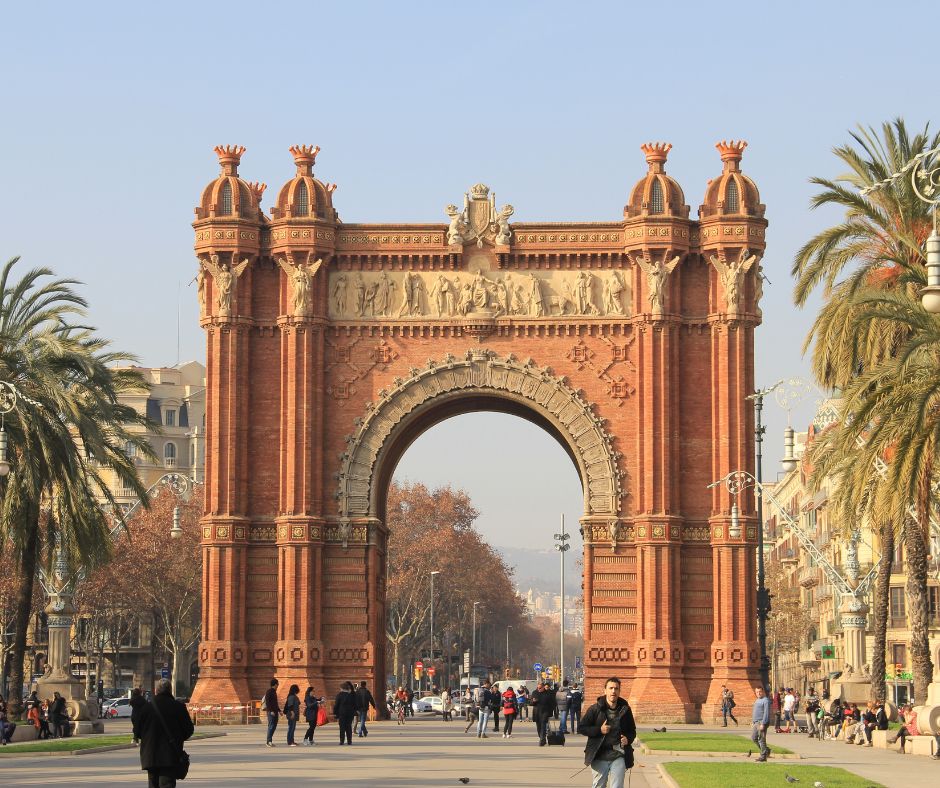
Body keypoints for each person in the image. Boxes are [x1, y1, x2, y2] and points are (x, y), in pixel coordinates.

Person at [133, 678, 194, 788]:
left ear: (156, 691)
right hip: (170, 755)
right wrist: (178, 738)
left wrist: (147, 738)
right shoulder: (178, 707)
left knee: (153, 785)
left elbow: (137, 731)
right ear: (170, 691)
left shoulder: (146, 708)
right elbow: (189, 730)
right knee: (167, 785)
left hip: (150, 756)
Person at [578, 677, 636, 788]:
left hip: (619, 755)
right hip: (599, 755)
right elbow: (582, 728)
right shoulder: (595, 709)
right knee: (599, 785)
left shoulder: (625, 710)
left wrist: (628, 739)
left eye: (616, 688)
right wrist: (599, 730)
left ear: (619, 691)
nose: (613, 691)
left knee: (617, 786)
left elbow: (632, 731)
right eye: (611, 688)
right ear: (605, 690)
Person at [531, 680, 558, 746]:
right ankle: (541, 738)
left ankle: (542, 740)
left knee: (543, 725)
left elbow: (553, 703)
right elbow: (531, 703)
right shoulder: (534, 693)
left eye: (540, 688)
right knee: (538, 727)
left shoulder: (548, 694)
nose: (539, 689)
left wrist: (551, 712)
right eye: (538, 688)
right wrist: (534, 702)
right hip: (537, 712)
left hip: (545, 711)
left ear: (543, 687)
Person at [751, 685, 772, 762]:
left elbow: (766, 713)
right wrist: (753, 722)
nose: (758, 693)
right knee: (754, 738)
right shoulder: (757, 700)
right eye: (757, 692)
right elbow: (755, 712)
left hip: (761, 722)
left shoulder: (765, 700)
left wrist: (763, 723)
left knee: (761, 739)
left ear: (762, 692)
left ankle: (763, 756)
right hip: (756, 722)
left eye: (760, 691)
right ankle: (766, 750)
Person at [263, 679, 280, 747]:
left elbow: (275, 703)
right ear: (275, 684)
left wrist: (279, 710)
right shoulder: (269, 691)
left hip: (275, 712)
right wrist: (271, 711)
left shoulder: (274, 692)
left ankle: (270, 740)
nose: (278, 685)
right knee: (271, 726)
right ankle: (268, 741)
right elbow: (268, 702)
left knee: (274, 726)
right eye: (277, 684)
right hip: (271, 712)